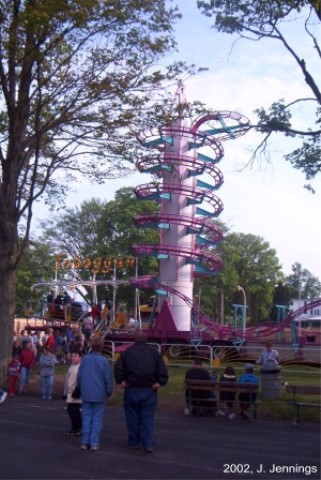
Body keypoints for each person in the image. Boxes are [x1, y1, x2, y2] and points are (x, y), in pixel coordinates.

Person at [114, 330, 169, 453]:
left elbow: (118, 368)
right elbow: (163, 371)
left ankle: (134, 441)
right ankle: (148, 443)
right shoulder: (154, 354)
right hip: (149, 390)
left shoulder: (127, 353)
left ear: (134, 340)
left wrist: (121, 380)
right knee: (147, 418)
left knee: (132, 417)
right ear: (146, 340)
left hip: (132, 388)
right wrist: (159, 382)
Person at [76, 336, 113, 451]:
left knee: (86, 418)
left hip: (86, 392)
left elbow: (79, 376)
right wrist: (108, 391)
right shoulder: (104, 361)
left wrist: (80, 387)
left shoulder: (86, 359)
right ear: (102, 346)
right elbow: (108, 379)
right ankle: (94, 443)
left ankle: (85, 441)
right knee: (97, 418)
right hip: (99, 393)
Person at [63, 348, 83, 436]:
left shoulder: (81, 367)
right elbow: (67, 379)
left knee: (76, 412)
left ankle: (79, 427)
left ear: (80, 357)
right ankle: (74, 427)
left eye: (76, 356)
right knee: (70, 411)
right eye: (72, 356)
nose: (73, 358)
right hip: (70, 393)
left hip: (77, 393)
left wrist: (79, 391)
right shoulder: (71, 366)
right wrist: (64, 392)